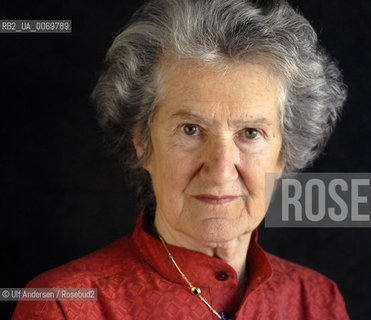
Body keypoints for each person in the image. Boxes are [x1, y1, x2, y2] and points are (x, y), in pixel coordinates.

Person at [13, 0, 348, 319]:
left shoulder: (317, 301)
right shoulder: (63, 307)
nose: (220, 170)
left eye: (250, 133)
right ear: (142, 143)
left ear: (284, 154)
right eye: (191, 129)